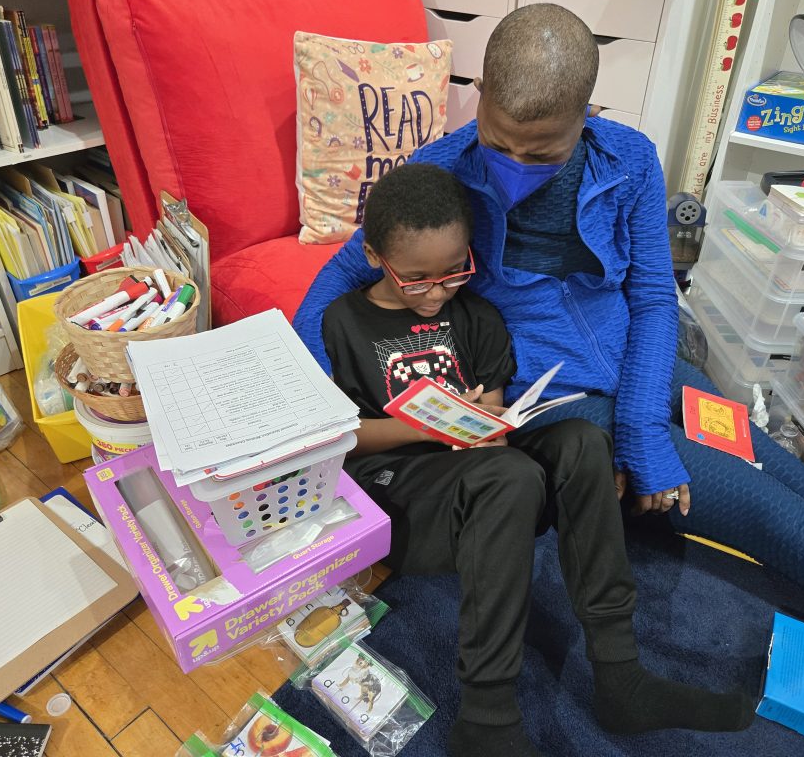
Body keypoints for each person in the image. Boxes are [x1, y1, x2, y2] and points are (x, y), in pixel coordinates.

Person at [296, 2, 804, 626]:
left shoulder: (628, 159)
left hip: (634, 354)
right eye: (499, 145)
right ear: (482, 94)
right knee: (768, 514)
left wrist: (643, 431)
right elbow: (342, 273)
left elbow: (656, 296)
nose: (516, 166)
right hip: (547, 393)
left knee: (772, 460)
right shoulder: (439, 170)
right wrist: (310, 392)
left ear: (588, 114)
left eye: (541, 154)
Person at [321, 163, 753, 756]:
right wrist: (410, 426)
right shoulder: (342, 323)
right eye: (416, 279)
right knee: (509, 474)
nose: (438, 290)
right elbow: (338, 435)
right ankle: (488, 717)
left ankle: (619, 673)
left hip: (483, 479)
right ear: (373, 256)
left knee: (579, 441)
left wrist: (481, 420)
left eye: (454, 272)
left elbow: (495, 426)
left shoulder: (476, 317)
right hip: (400, 496)